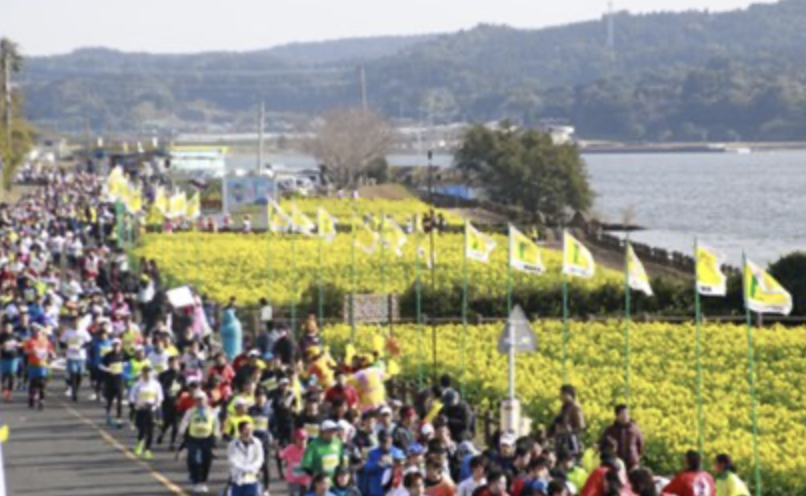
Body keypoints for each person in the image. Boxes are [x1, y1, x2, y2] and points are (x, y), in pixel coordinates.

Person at [178, 389, 220, 494]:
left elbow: (216, 424)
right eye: (197, 400)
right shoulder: (190, 411)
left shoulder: (211, 411)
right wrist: (182, 431)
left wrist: (216, 435)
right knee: (192, 459)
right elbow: (185, 421)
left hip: (207, 438)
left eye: (201, 400)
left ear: (206, 400)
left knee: (207, 460)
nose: (199, 402)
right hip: (194, 438)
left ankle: (203, 482)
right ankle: (196, 481)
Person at [129, 365, 164, 460]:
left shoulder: (156, 384)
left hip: (152, 410)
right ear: (142, 373)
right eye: (145, 372)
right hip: (141, 410)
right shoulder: (137, 385)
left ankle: (147, 450)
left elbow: (160, 398)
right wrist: (137, 405)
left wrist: (155, 407)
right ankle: (140, 442)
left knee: (151, 431)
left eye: (149, 372)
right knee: (142, 430)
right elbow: (131, 397)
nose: (147, 374)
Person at [363, 429, 406, 496]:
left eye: (387, 441)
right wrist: (378, 463)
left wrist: (393, 462)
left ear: (391, 439)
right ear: (379, 442)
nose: (385, 443)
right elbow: (367, 469)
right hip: (377, 491)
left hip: (394, 491)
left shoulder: (398, 452)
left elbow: (404, 466)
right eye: (383, 441)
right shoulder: (373, 453)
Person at [600, 405, 644, 471]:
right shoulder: (610, 430)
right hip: (616, 464)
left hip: (632, 463)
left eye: (627, 413)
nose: (625, 416)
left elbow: (640, 445)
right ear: (617, 416)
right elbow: (602, 442)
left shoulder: (635, 429)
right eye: (622, 413)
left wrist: (635, 457)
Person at [228, 421, 265, 496]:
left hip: (252, 478)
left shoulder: (257, 442)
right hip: (237, 478)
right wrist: (244, 468)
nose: (249, 431)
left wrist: (251, 468)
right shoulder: (233, 444)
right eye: (246, 429)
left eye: (250, 429)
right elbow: (232, 460)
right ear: (240, 431)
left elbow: (260, 459)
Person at [22, 325, 55, 410]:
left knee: (42, 383)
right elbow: (25, 351)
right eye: (35, 332)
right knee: (33, 383)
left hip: (42, 365)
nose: (37, 333)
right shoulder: (30, 341)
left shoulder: (46, 341)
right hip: (32, 365)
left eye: (39, 332)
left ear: (41, 333)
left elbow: (50, 350)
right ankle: (31, 398)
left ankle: (41, 400)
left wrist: (52, 354)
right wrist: (31, 351)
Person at [60, 321, 92, 402]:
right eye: (74, 323)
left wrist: (81, 347)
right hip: (71, 357)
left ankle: (76, 388)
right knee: (73, 374)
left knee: (80, 375)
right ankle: (74, 392)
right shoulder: (67, 332)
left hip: (81, 357)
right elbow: (61, 342)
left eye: (77, 323)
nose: (76, 325)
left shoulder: (83, 332)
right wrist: (68, 346)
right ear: (72, 324)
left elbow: (89, 342)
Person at [280, 429, 312, 496]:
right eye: (300, 439)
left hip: (305, 479)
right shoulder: (291, 448)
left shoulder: (309, 450)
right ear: (296, 439)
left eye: (304, 439)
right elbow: (281, 455)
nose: (302, 441)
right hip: (293, 479)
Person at [0, 323, 21, 401]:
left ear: (12, 328)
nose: (8, 329)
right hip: (4, 358)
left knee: (12, 375)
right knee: (4, 376)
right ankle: (4, 390)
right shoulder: (1, 336)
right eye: (6, 327)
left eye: (9, 328)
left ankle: (9, 394)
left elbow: (22, 343)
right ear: (4, 328)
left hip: (14, 358)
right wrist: (3, 346)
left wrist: (17, 344)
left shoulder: (15, 335)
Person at [220, 298, 243, 362]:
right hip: (236, 350)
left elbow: (222, 330)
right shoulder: (237, 323)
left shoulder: (231, 325)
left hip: (231, 352)